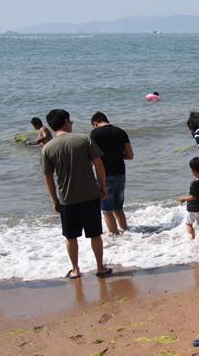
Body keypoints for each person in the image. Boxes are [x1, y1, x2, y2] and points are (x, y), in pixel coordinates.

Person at [41, 109, 112, 279]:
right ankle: (100, 268)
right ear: (66, 121)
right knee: (95, 234)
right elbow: (99, 164)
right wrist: (103, 186)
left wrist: (54, 199)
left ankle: (75, 269)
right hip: (90, 195)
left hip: (67, 199)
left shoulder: (47, 148)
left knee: (70, 237)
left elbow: (48, 177)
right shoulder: (83, 139)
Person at [89, 111, 133, 235]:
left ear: (95, 123)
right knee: (118, 208)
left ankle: (115, 236)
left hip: (105, 175)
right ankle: (126, 232)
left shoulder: (95, 133)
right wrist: (117, 155)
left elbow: (93, 157)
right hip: (121, 173)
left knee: (106, 210)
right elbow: (130, 155)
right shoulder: (120, 131)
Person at [179, 157, 199, 240]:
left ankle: (191, 241)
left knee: (189, 224)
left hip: (193, 209)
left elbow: (193, 197)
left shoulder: (194, 184)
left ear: (194, 171)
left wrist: (183, 199)